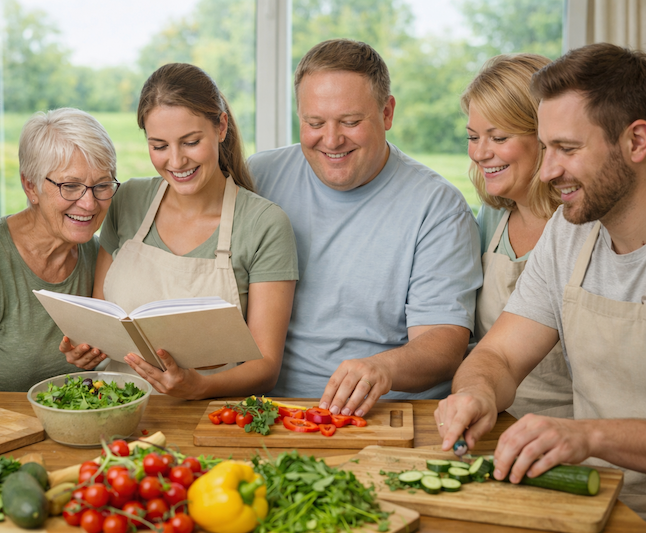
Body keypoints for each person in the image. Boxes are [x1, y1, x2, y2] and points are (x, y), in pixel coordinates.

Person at [436, 43, 646, 518]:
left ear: (636, 141)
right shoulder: (570, 233)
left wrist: (588, 435)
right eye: (546, 148)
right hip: (591, 501)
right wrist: (477, 392)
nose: (549, 171)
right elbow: (501, 354)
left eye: (567, 149)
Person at [248, 39, 483, 416]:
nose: (331, 139)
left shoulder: (437, 206)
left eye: (350, 122)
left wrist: (382, 368)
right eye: (314, 122)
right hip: (271, 407)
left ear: (387, 113)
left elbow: (443, 345)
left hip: (383, 413)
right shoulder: (259, 176)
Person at [61, 63, 298, 399]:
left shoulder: (265, 225)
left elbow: (266, 367)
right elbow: (103, 317)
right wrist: (86, 349)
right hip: (115, 408)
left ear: (221, 127)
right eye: (159, 146)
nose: (176, 161)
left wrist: (200, 387)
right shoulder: (127, 199)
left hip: (210, 418)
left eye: (190, 142)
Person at [0, 108, 117, 391]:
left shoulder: (99, 256)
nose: (90, 204)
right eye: (70, 186)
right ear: (30, 186)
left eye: (102, 185)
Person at [463, 54, 573, 419]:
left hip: (572, 438)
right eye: (473, 137)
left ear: (544, 138)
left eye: (499, 137)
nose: (480, 153)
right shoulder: (491, 218)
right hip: (492, 423)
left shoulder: (581, 226)